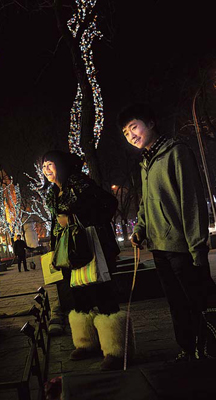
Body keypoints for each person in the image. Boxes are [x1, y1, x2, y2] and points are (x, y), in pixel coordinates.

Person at [118, 103, 216, 362]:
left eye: (134, 127)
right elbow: (146, 203)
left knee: (196, 300)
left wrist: (198, 248)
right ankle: (186, 348)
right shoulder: (146, 162)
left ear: (150, 123)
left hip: (181, 247)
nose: (131, 136)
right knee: (175, 303)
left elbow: (192, 201)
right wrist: (140, 228)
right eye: (126, 134)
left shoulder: (176, 152)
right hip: (159, 247)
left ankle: (208, 348)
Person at [42, 150, 130, 371]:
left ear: (61, 165)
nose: (46, 170)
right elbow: (55, 225)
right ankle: (86, 343)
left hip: (92, 245)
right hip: (67, 251)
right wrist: (54, 252)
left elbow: (108, 204)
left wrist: (75, 219)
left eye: (50, 164)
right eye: (43, 167)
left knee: (103, 293)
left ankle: (116, 350)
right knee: (78, 296)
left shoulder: (80, 183)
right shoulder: (53, 193)